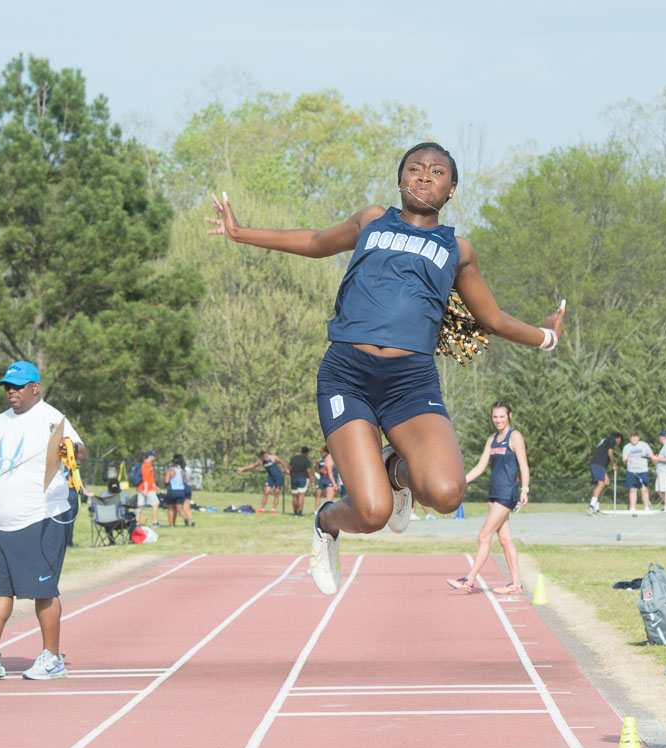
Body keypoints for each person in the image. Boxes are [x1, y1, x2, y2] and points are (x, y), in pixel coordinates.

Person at [207, 141, 565, 595]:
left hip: (409, 383)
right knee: (373, 515)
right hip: (348, 375)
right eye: (414, 169)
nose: (423, 176)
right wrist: (242, 233)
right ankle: (325, 523)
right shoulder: (372, 219)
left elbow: (491, 319)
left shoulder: (458, 249)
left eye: (436, 172)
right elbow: (316, 242)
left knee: (447, 493)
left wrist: (546, 335)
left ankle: (396, 469)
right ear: (400, 180)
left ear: (451, 189)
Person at [0, 361, 85, 681]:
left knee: (43, 591)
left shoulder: (51, 417)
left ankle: (52, 658)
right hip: (4, 523)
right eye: (7, 386)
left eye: (18, 386)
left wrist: (73, 450)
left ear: (35, 387)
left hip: (41, 517)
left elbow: (80, 451)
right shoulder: (1, 422)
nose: (11, 392)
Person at [446, 401, 529, 594]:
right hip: (494, 493)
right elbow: (481, 466)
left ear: (509, 416)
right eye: (495, 417)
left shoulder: (515, 437)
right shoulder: (492, 439)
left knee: (483, 536)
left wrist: (525, 489)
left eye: (501, 416)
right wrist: (462, 481)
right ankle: (516, 584)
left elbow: (524, 465)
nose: (498, 420)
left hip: (507, 493)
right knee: (504, 538)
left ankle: (469, 579)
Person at [587, 432, 623, 516]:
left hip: (598, 464)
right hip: (598, 464)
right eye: (619, 442)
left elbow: (603, 459)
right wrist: (613, 464)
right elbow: (610, 453)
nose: (618, 444)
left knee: (600, 485)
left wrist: (605, 475)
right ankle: (591, 506)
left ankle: (596, 509)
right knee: (601, 484)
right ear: (618, 438)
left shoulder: (605, 441)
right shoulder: (611, 439)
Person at [621, 432, 653, 515]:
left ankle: (646, 507)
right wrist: (628, 459)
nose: (634, 440)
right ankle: (632, 508)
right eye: (632, 438)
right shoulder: (627, 447)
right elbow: (624, 459)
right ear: (630, 438)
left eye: (635, 438)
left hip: (643, 470)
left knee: (644, 489)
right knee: (632, 489)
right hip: (631, 471)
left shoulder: (644, 445)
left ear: (638, 438)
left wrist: (653, 459)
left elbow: (651, 455)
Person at [165, 455, 194, 527]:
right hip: (181, 492)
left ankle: (171, 525)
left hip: (172, 491)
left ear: (172, 463)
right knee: (180, 509)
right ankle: (185, 518)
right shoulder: (182, 471)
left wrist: (167, 484)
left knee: (171, 508)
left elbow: (166, 481)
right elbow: (185, 481)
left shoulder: (170, 470)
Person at [136, 451, 160, 527]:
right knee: (156, 503)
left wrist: (154, 486)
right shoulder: (147, 465)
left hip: (142, 487)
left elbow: (149, 478)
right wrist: (146, 489)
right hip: (146, 488)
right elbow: (145, 477)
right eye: (153, 456)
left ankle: (136, 522)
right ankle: (155, 522)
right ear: (149, 456)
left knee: (140, 505)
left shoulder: (145, 464)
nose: (154, 457)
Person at [288, 447, 313, 517]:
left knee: (294, 496)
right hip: (303, 478)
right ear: (307, 453)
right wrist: (312, 481)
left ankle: (295, 512)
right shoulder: (306, 459)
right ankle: (300, 512)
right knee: (301, 496)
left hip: (293, 478)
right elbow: (309, 471)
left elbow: (289, 469)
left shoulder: (294, 458)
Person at [313, 445, 336, 511]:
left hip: (329, 479)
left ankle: (327, 512)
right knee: (318, 495)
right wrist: (317, 465)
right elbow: (320, 470)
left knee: (329, 499)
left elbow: (329, 471)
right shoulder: (320, 460)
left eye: (322, 452)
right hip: (323, 479)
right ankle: (316, 511)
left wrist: (333, 483)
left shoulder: (330, 458)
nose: (321, 453)